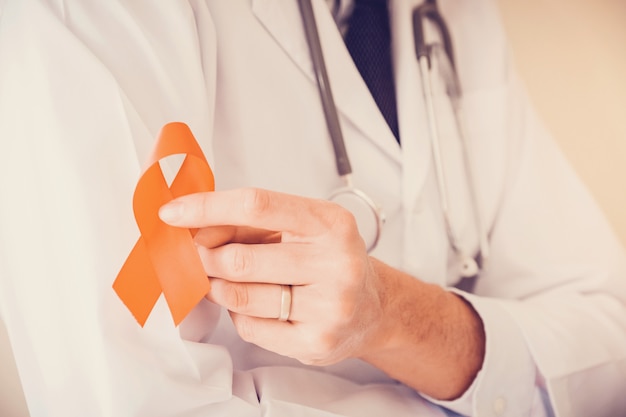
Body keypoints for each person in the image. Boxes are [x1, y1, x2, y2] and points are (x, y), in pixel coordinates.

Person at [0, 0, 625, 416]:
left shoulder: (451, 15)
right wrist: (485, 381)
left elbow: (610, 349)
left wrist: (399, 316)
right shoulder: (92, 14)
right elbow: (132, 401)